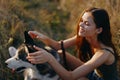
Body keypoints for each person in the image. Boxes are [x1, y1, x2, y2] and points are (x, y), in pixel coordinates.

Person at [26, 7, 119, 80]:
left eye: (87, 24)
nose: (81, 25)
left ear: (99, 30)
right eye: (82, 21)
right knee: (60, 54)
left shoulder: (104, 53)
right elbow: (58, 46)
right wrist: (42, 37)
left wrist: (50, 58)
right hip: (94, 74)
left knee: (78, 78)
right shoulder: (85, 37)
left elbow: (70, 77)